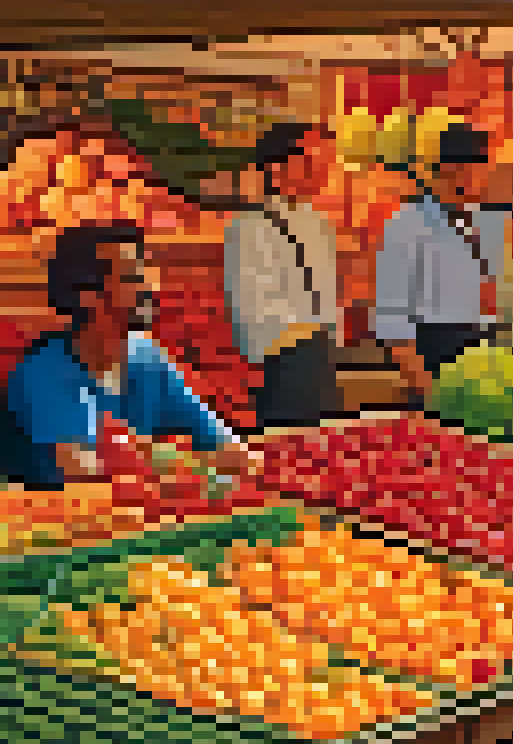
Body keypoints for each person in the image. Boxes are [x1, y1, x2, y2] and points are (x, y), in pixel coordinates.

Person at [2, 224, 258, 487]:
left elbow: (227, 447)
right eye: (132, 278)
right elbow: (83, 472)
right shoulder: (45, 373)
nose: (150, 287)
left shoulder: (147, 358)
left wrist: (162, 461)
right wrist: (174, 461)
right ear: (87, 296)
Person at [374, 124, 511, 398]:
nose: (481, 178)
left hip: (487, 358)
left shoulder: (490, 221)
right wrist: (426, 387)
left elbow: (495, 291)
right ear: (448, 171)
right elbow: (392, 318)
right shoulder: (407, 224)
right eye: (473, 168)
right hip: (434, 354)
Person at [226, 123, 341, 429]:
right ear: (277, 169)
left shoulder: (317, 223)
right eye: (310, 159)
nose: (321, 169)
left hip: (321, 358)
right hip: (282, 365)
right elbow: (253, 309)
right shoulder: (249, 226)